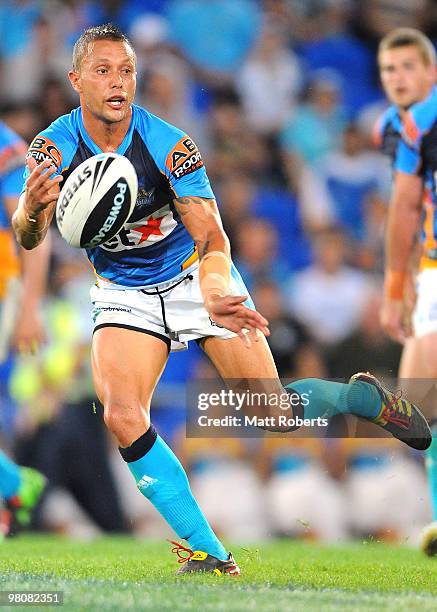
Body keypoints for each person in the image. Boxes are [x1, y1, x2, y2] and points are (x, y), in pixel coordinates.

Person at [12, 24, 431, 574]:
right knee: (120, 414)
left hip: (193, 275)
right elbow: (27, 234)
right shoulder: (50, 148)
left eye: (127, 70)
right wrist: (32, 209)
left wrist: (214, 287)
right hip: (122, 290)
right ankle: (210, 553)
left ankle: (362, 401)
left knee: (275, 414)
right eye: (103, 70)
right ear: (75, 80)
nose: (119, 82)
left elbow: (211, 236)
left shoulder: (170, 145)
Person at [376, 27, 437, 555]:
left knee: (416, 402)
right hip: (433, 268)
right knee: (420, 403)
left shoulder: (418, 123)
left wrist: (395, 287)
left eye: (407, 68)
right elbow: (408, 210)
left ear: (430, 72)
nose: (398, 79)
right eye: (388, 70)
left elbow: (404, 207)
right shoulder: (398, 128)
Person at [0, 117, 49, 538]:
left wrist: (29, 308)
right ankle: (13, 485)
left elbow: (32, 229)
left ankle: (12, 486)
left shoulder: (8, 148)